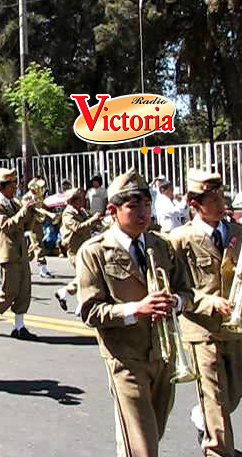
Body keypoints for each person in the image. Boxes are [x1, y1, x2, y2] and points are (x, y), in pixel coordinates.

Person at [77, 167, 193, 457]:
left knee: (150, 433)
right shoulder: (94, 251)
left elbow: (187, 292)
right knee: (143, 447)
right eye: (133, 206)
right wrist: (135, 310)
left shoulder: (162, 245)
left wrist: (175, 303)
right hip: (125, 358)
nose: (143, 213)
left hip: (164, 356)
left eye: (146, 205)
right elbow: (91, 312)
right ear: (113, 210)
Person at [170, 169, 242, 456]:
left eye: (222, 195)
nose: (221, 203)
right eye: (213, 198)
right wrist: (209, 303)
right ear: (195, 205)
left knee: (239, 385)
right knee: (217, 404)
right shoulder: (181, 239)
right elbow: (176, 288)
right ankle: (217, 449)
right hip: (202, 330)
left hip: (235, 327)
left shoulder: (237, 232)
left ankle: (202, 416)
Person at [0, 168, 37, 340]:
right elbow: (8, 225)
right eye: (13, 185)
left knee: (24, 289)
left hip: (21, 251)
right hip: (7, 252)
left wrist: (32, 214)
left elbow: (26, 226)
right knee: (9, 289)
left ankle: (19, 326)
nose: (16, 188)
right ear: (3, 187)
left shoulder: (16, 203)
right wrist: (24, 212)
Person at [55, 187, 102, 314]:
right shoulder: (68, 213)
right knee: (86, 277)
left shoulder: (81, 211)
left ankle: (64, 293)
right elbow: (77, 228)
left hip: (84, 246)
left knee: (85, 276)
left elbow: (91, 223)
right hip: (75, 249)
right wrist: (92, 221)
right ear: (73, 200)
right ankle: (81, 305)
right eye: (81, 198)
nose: (84, 200)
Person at [22, 178, 53, 278]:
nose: (39, 189)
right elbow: (29, 210)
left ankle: (22, 263)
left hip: (38, 223)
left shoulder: (38, 196)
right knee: (39, 244)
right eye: (37, 187)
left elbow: (42, 207)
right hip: (31, 224)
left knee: (33, 247)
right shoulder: (26, 197)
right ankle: (43, 268)